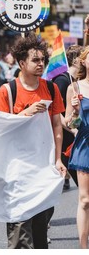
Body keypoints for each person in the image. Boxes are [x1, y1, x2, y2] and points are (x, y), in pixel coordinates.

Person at [0, 32, 66, 249]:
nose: (41, 64)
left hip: (43, 167)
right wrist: (26, 113)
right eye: (35, 60)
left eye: (42, 59)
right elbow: (0, 126)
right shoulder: (8, 90)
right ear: (21, 62)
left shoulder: (51, 88)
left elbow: (56, 126)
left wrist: (58, 159)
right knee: (19, 227)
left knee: (40, 228)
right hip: (16, 168)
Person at [65, 45, 89, 248]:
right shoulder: (75, 88)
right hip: (85, 145)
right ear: (83, 61)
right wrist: (74, 112)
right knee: (85, 200)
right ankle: (83, 249)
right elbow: (69, 124)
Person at [53, 44, 84, 190]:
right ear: (77, 60)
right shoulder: (63, 81)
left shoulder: (78, 82)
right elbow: (56, 112)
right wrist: (73, 130)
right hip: (67, 139)